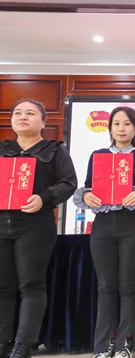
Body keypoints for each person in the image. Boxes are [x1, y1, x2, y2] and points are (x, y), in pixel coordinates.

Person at [73, 107, 135, 358]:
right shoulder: (98, 155)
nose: (121, 128)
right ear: (110, 128)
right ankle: (104, 346)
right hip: (102, 226)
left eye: (127, 124)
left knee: (128, 287)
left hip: (132, 225)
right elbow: (88, 185)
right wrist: (87, 195)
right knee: (105, 287)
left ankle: (125, 344)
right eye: (116, 124)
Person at [0, 100, 77, 358]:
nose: (22, 117)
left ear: (43, 122)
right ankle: (2, 341)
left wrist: (43, 198)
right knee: (2, 286)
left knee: (31, 284)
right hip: (1, 225)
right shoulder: (2, 149)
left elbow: (68, 183)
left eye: (30, 113)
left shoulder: (55, 151)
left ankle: (24, 343)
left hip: (35, 227)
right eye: (17, 113)